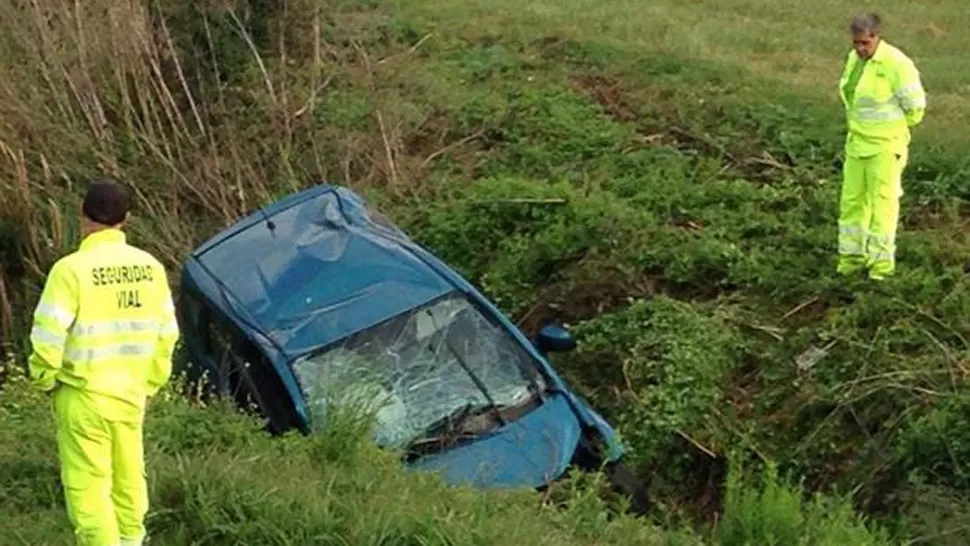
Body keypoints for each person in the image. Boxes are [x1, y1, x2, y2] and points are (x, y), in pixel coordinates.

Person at [27, 179, 180, 546]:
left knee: (89, 488)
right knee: (129, 481)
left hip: (82, 395)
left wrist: (45, 378)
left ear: (82, 216)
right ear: (126, 219)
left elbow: (48, 334)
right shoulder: (151, 268)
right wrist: (152, 383)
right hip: (131, 395)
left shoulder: (71, 270)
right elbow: (166, 333)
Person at [836, 12, 926, 280]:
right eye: (856, 43)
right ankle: (850, 261)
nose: (861, 49)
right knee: (851, 203)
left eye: (865, 43)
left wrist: (891, 131)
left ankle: (880, 269)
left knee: (882, 207)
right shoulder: (854, 60)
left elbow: (915, 108)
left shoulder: (897, 64)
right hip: (857, 144)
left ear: (877, 37)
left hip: (886, 148)